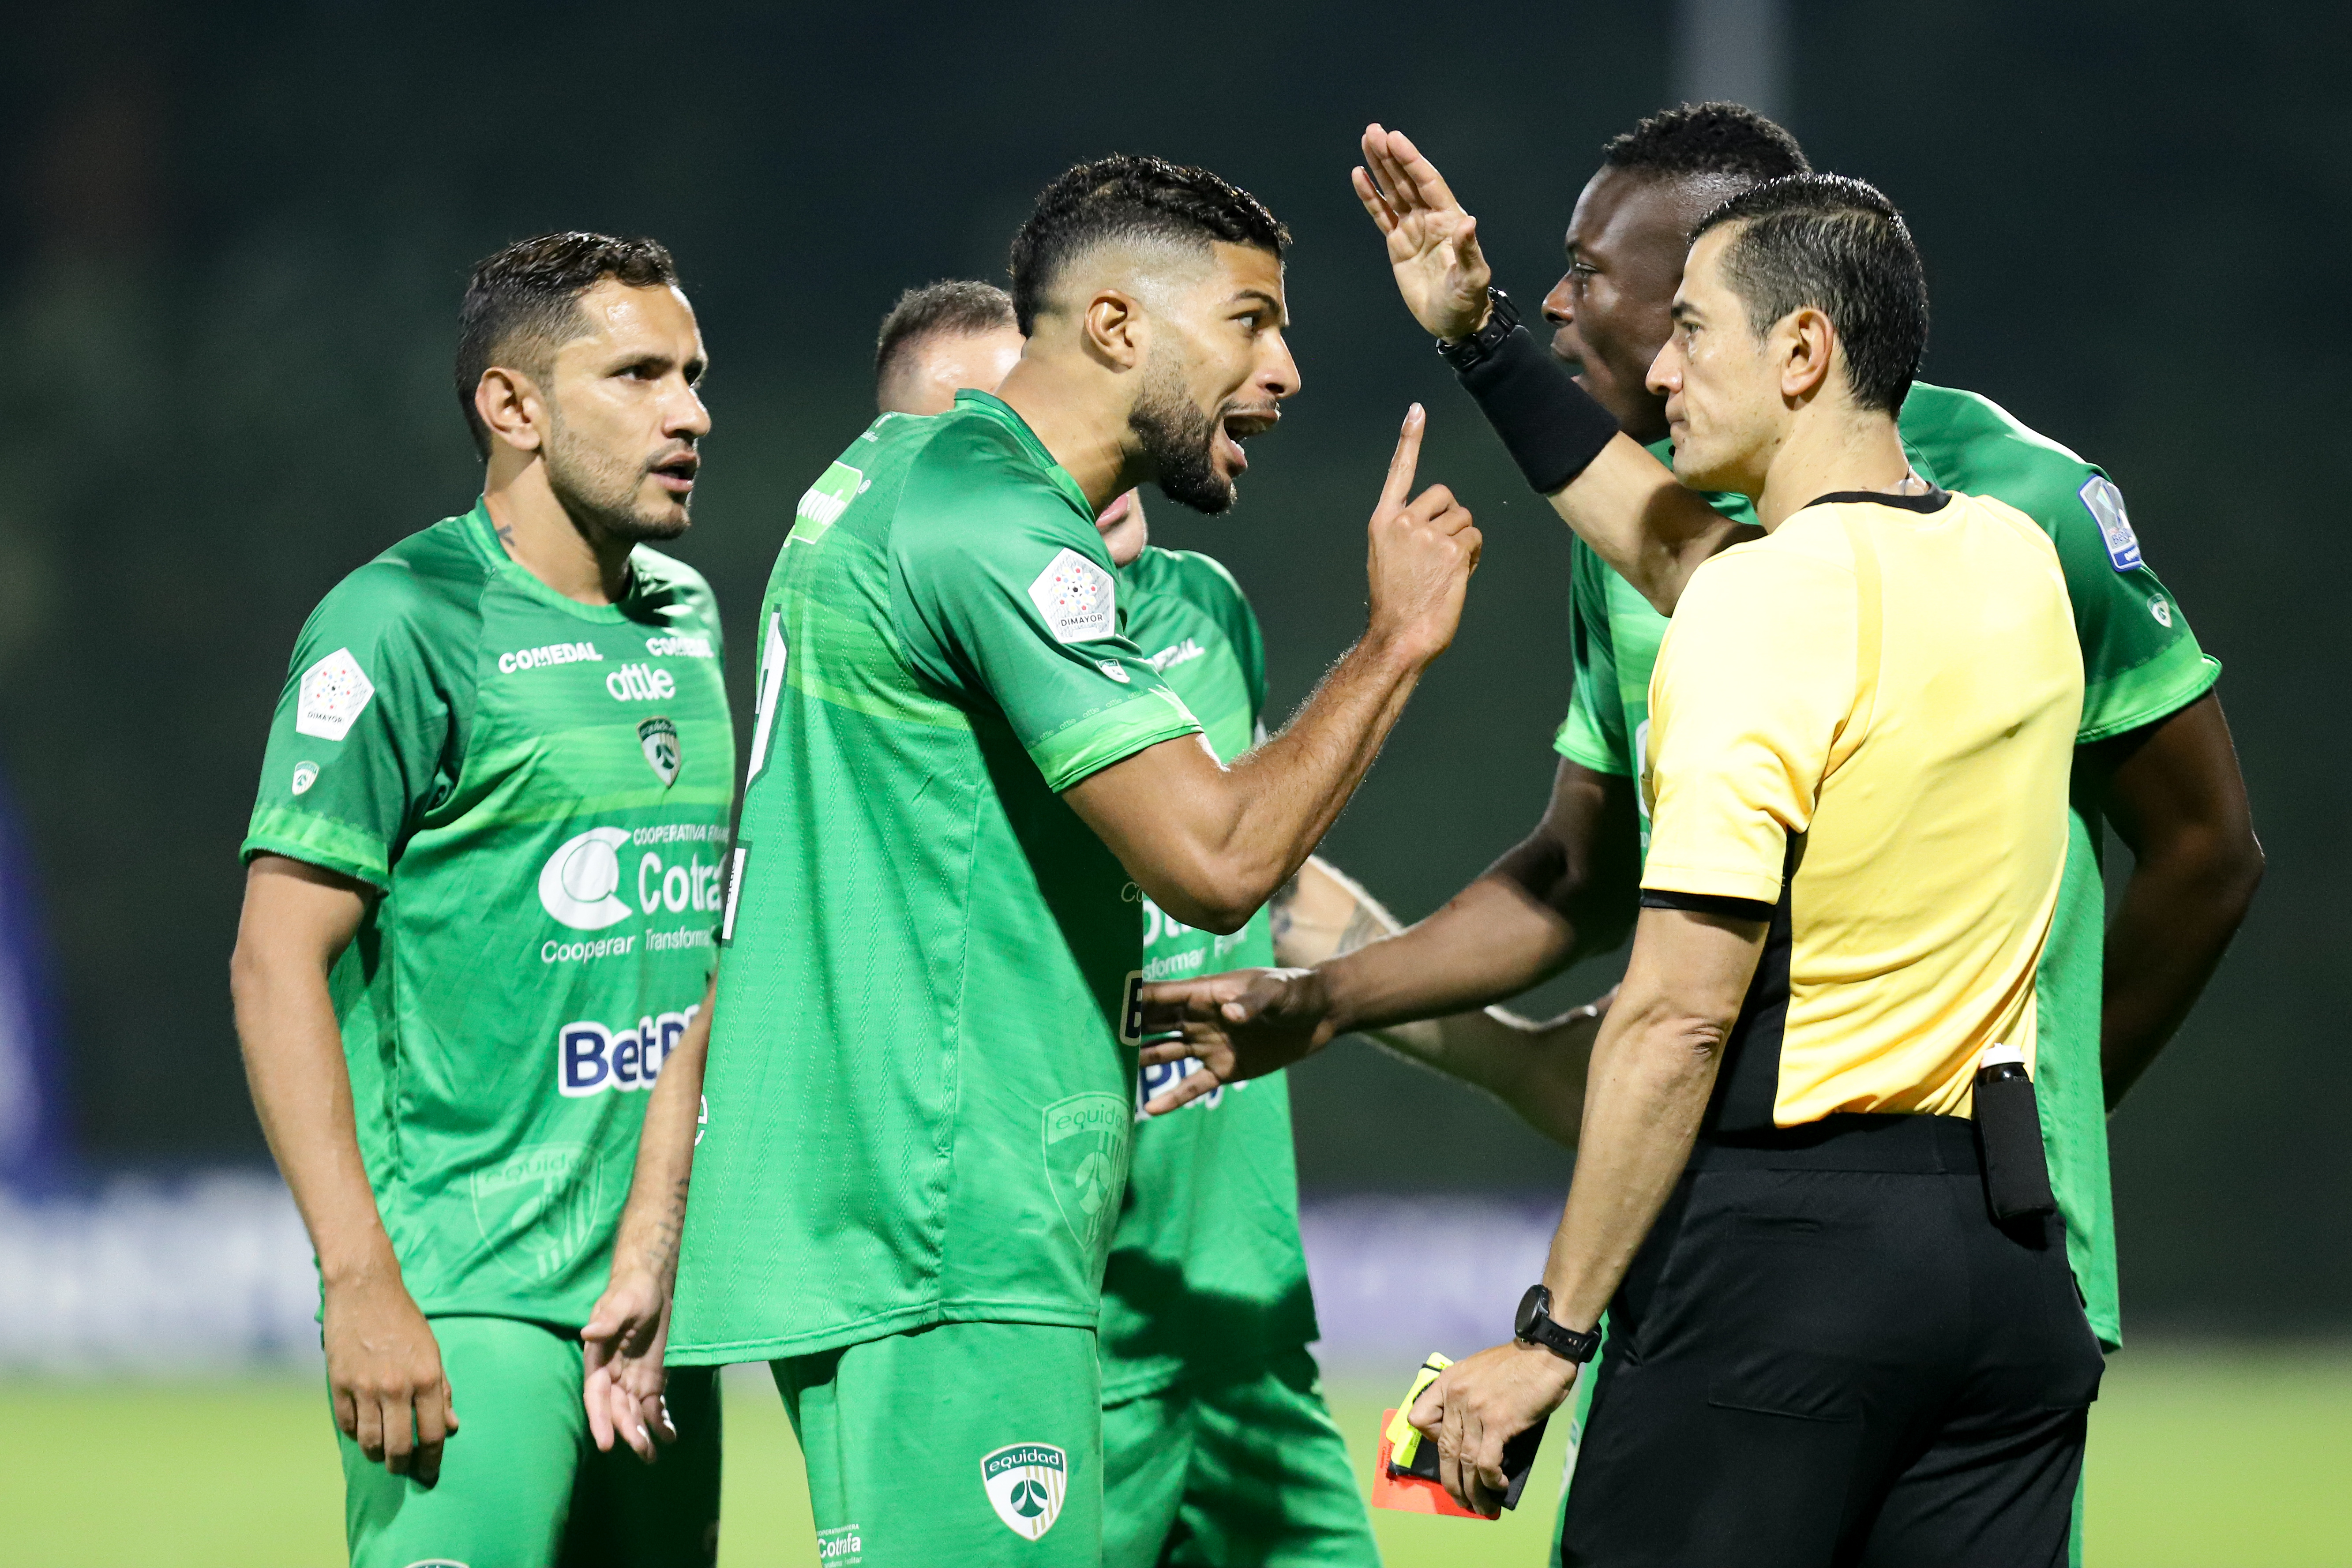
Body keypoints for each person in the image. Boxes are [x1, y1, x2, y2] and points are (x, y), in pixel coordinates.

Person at [1148, 107, 2261, 1560]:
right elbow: (1686, 549)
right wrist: (1481, 345)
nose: (1660, 360)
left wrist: (1551, 1329)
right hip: (1993, 1270)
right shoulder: (2000, 555)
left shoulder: (1759, 598)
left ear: (1797, 348)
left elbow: (1672, 1017)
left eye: (1685, 323)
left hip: (1788, 1241)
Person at [589, 156, 1482, 1568]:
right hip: (949, 1223)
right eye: (1251, 322)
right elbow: (1216, 858)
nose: (1288, 369)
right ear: (1117, 327)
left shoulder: (891, 476)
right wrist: (1396, 642)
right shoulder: (989, 523)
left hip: (917, 1218)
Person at [229, 232, 731, 1568]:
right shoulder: (401, 620)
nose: (689, 410)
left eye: (691, 373)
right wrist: (362, 1280)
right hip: (467, 1295)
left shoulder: (688, 616)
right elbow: (275, 959)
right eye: (637, 374)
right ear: (512, 407)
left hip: (659, 1306)